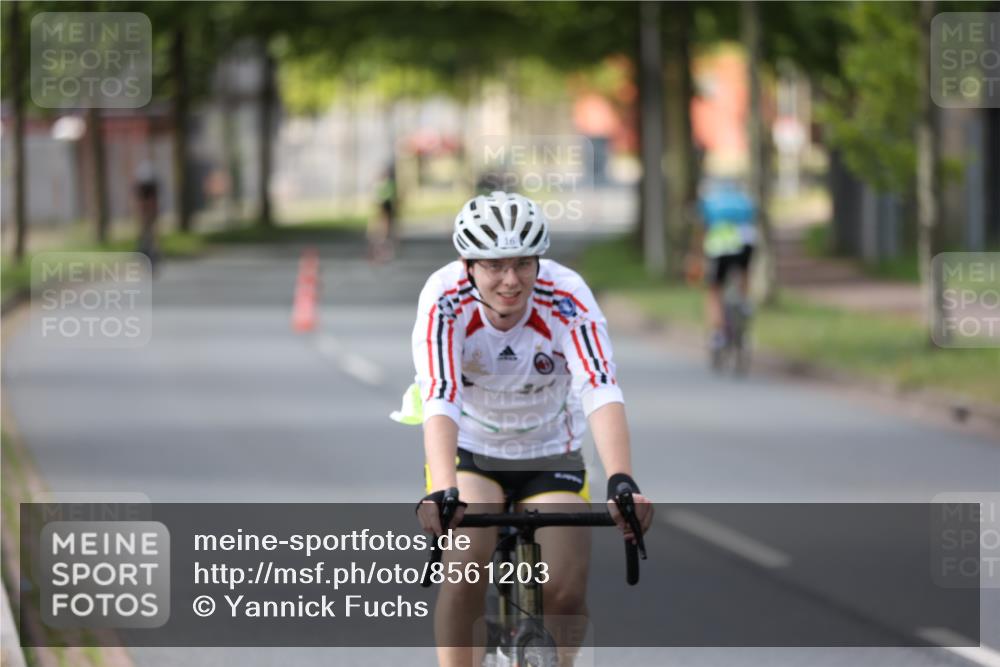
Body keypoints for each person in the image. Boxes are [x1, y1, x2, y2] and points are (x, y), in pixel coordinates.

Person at [407, 191, 653, 667]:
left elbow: (600, 386)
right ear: (467, 265)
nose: (511, 280)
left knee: (563, 589)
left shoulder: (566, 295)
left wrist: (622, 479)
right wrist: (442, 490)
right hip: (471, 451)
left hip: (551, 451)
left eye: (523, 263)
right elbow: (440, 394)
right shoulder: (444, 297)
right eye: (495, 265)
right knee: (464, 570)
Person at [696, 177, 757, 351]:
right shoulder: (744, 200)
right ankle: (745, 302)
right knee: (745, 271)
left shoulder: (709, 201)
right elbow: (752, 221)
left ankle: (718, 333)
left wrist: (697, 254)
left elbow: (703, 228)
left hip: (719, 244)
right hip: (744, 241)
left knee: (714, 289)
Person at [368, 165, 398, 262]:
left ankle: (383, 250)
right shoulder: (382, 185)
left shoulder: (388, 184)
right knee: (381, 229)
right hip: (384, 207)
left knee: (386, 228)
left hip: (387, 207)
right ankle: (379, 250)